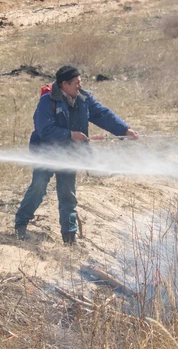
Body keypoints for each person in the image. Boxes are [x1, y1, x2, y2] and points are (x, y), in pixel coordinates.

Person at [14, 65, 139, 245]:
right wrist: (70, 135)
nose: (80, 86)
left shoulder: (84, 98)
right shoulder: (47, 101)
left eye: (80, 82)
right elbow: (44, 130)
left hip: (69, 154)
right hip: (45, 153)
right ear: (64, 84)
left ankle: (69, 238)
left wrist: (125, 130)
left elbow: (103, 115)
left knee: (68, 194)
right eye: (76, 83)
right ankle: (20, 225)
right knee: (38, 188)